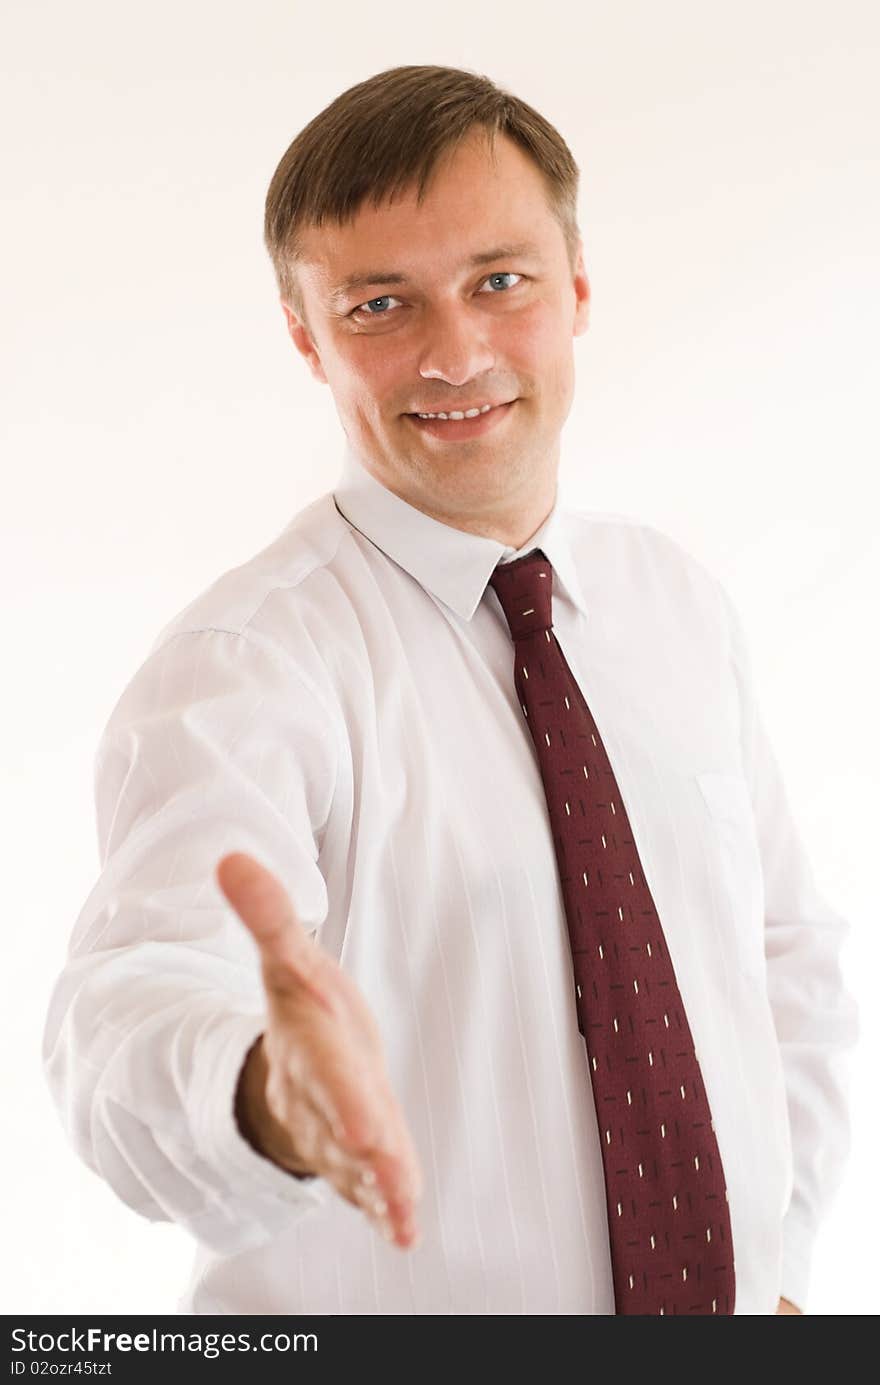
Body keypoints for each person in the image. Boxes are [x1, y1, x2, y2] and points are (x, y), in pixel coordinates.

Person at [43, 64, 858, 1317]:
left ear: (576, 285)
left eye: (498, 281)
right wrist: (265, 1091)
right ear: (305, 335)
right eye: (379, 303)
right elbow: (128, 1012)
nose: (456, 351)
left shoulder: (676, 605)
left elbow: (780, 960)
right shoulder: (245, 667)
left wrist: (777, 1274)